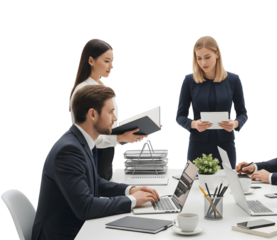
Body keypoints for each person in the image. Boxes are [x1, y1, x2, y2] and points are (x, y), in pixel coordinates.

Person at [32, 85, 160, 240]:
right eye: (111, 111)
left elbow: (94, 181)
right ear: (92, 114)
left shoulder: (81, 142)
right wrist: (133, 201)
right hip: (62, 235)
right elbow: (86, 207)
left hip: (76, 227)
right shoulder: (68, 150)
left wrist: (130, 190)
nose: (115, 118)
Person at [68, 37, 147, 180]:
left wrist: (131, 133)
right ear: (91, 60)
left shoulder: (102, 86)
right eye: (106, 61)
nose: (111, 66)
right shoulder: (84, 91)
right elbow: (87, 135)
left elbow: (107, 126)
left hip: (104, 160)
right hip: (92, 158)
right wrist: (120, 138)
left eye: (112, 61)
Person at [176, 34, 248, 168]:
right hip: (197, 146)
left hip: (226, 146)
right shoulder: (189, 80)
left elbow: (243, 113)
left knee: (226, 186)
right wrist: (193, 124)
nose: (203, 63)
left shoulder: (234, 79)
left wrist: (235, 124)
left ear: (217, 54)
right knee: (195, 187)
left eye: (207, 57)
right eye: (199, 58)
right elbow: (180, 116)